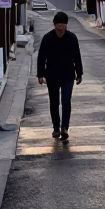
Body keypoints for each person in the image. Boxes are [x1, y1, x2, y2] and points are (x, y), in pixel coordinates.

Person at [37, 11, 83, 140]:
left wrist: (79, 73)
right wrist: (40, 74)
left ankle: (65, 128)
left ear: (66, 25)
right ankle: (56, 127)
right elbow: (41, 57)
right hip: (52, 75)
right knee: (54, 102)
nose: (61, 27)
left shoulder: (72, 38)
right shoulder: (47, 38)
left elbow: (77, 56)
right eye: (58, 25)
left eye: (63, 25)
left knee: (66, 101)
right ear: (54, 25)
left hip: (68, 74)